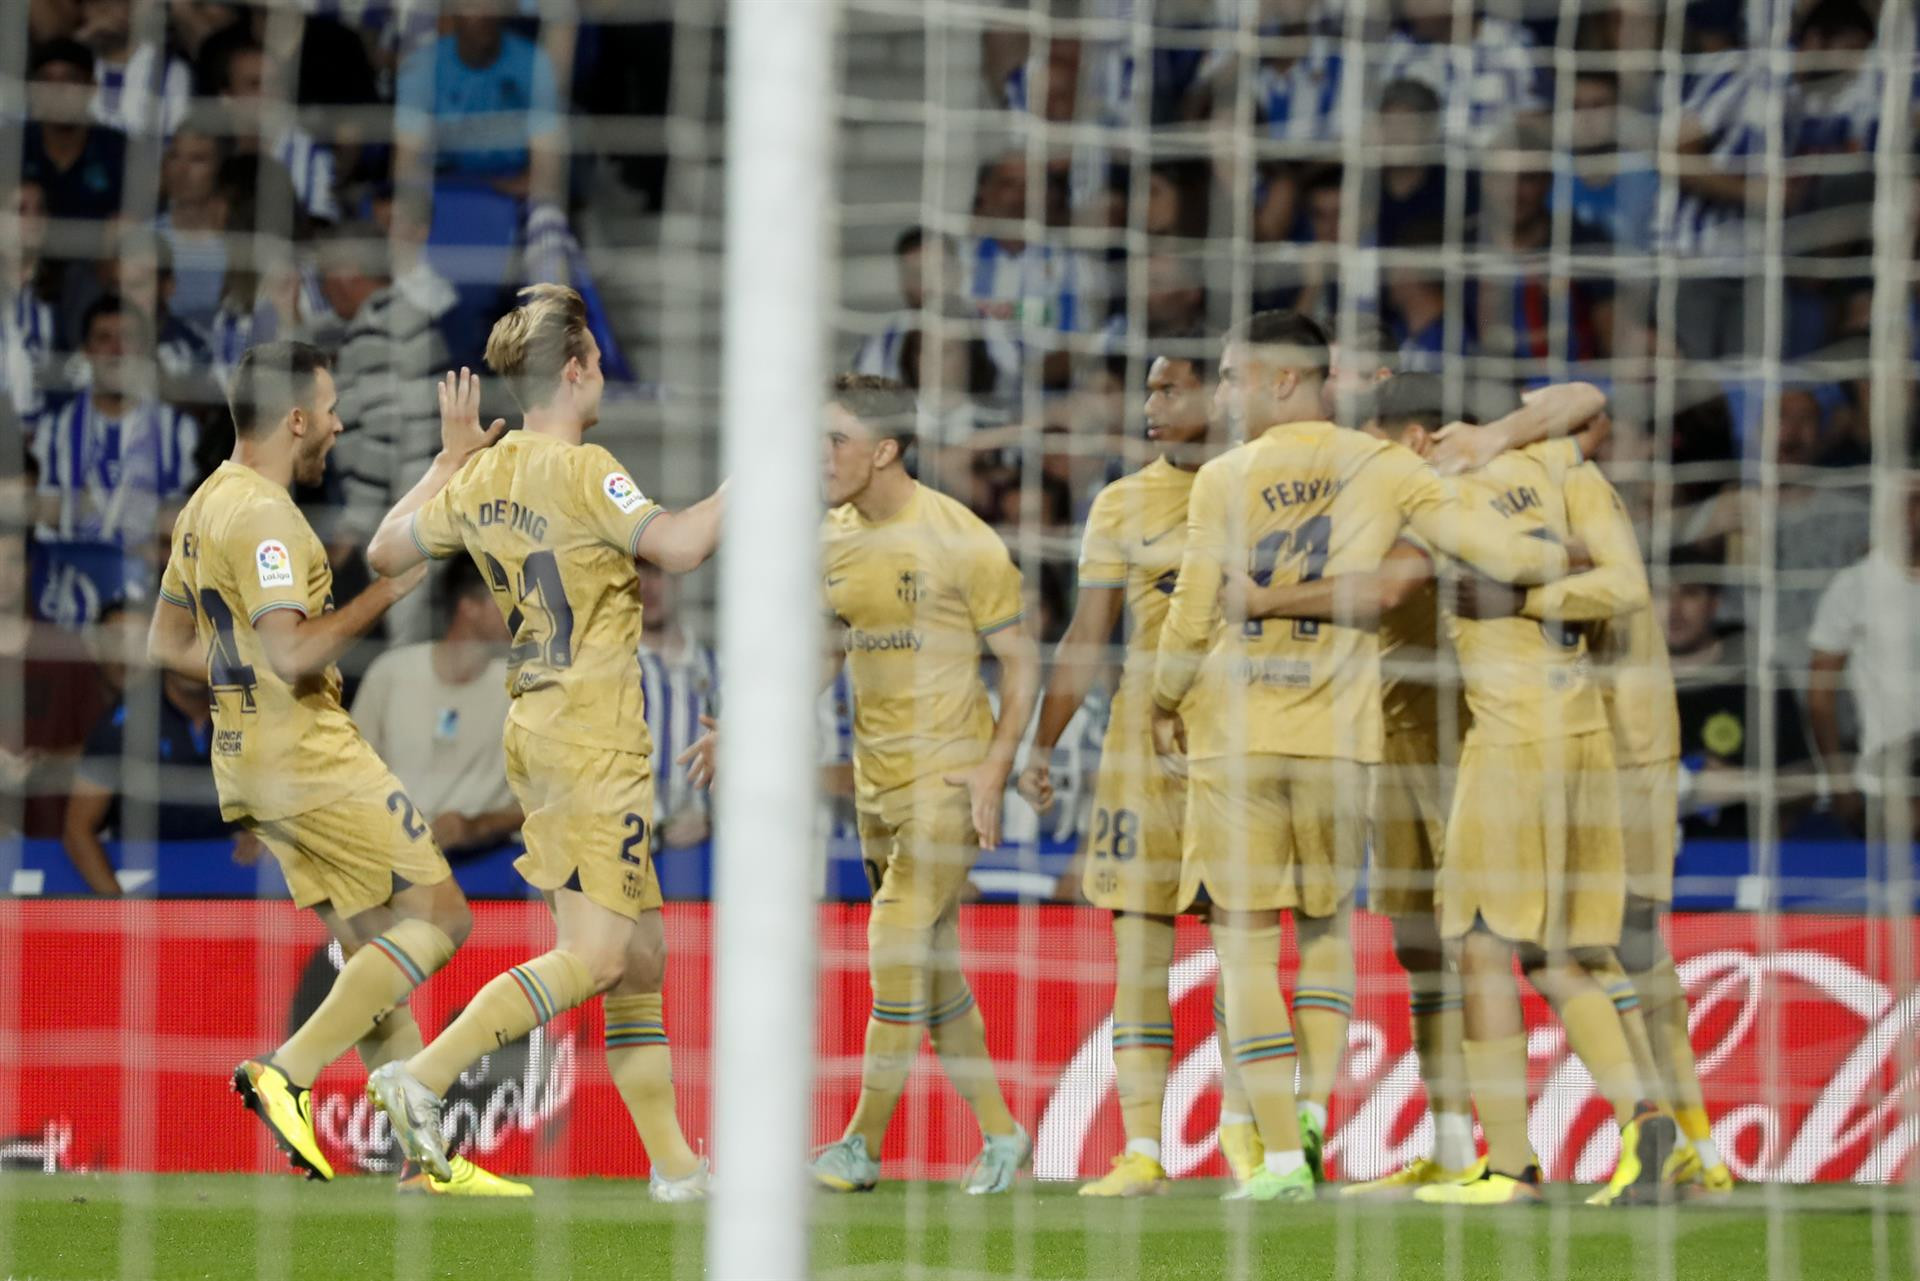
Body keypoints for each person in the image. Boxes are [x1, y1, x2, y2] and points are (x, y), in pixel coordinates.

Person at [1147, 312, 1572, 1203]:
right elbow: (1489, 547)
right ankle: (1310, 1112)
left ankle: (1273, 1159)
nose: (1221, 394)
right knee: (1330, 927)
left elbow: (1193, 609)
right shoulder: (1384, 465)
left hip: (1237, 736)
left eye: (1232, 377)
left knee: (1247, 946)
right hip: (1342, 742)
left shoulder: (1224, 477)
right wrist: (1559, 554)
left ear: (1287, 380)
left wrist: (1163, 697)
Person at [362, 285, 726, 1203]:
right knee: (600, 956)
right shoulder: (584, 467)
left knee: (639, 957)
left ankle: (678, 1169)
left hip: (538, 731)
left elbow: (381, 554)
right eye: (598, 360)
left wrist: (446, 462)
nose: (603, 375)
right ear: (574, 369)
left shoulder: (485, 475)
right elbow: (679, 547)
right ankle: (424, 1075)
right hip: (595, 737)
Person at [145, 340, 522, 1197]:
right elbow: (290, 653)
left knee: (372, 961)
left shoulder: (208, 503)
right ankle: (287, 1069)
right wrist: (386, 597)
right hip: (308, 752)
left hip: (245, 764)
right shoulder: (270, 518)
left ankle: (422, 1162)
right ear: (295, 419)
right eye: (331, 406)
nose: (340, 423)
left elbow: (163, 643)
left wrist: (445, 466)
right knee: (443, 919)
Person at [1228, 374, 1611, 1198]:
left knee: (1509, 945)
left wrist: (1263, 599)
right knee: (1421, 950)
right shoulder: (1377, 487)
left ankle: (1612, 1130)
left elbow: (1391, 588)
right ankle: (1449, 1143)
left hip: (1458, 742)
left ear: (1408, 436)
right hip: (1389, 741)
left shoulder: (1442, 488)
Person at [1386, 405, 1675, 1208]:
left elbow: (1461, 570)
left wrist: (1515, 596)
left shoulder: (1430, 494)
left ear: (1416, 434)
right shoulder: (1557, 469)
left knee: (1477, 942)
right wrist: (1556, 578)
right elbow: (1625, 584)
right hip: (1582, 731)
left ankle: (1510, 1167)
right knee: (1554, 954)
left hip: (1512, 742)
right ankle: (1642, 1116)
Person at [806, 374, 1039, 1196]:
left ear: (885, 448)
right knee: (932, 967)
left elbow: (1019, 660)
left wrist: (996, 764)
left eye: (834, 440)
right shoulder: (831, 536)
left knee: (895, 940)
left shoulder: (961, 537)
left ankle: (860, 1143)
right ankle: (1007, 1135)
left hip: (948, 776)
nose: (820, 454)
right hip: (877, 785)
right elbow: (832, 643)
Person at [1016, 351, 1236, 1196]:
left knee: (1242, 950)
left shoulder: (1256, 484)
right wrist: (1042, 744)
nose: (1151, 404)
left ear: (1218, 394)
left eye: (1169, 387)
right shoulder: (1120, 501)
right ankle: (1143, 1147)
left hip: (1235, 747)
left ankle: (1254, 1144)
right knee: (1139, 954)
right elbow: (1086, 634)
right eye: (1148, 388)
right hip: (1141, 757)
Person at [351, 556, 520, 857]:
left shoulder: (523, 688)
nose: (522, 613)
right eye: (508, 600)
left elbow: (549, 798)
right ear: (469, 605)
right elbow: (347, 774)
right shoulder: (392, 673)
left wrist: (477, 827)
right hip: (392, 860)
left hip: (490, 866)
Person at [33, 296, 199, 553]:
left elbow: (185, 531)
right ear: (86, 352)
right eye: (103, 338)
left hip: (149, 583)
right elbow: (45, 520)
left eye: (127, 338)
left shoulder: (178, 431)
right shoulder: (54, 430)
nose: (116, 350)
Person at [1807, 479, 1920, 841]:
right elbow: (1819, 695)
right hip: (1884, 781)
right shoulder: (1855, 585)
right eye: (1911, 502)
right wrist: (1840, 783)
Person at [63, 667, 233, 895]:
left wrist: (264, 834)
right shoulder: (125, 720)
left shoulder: (251, 710)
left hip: (232, 877)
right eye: (182, 639)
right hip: (144, 878)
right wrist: (121, 911)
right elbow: (77, 828)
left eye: (199, 638)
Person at [0, 523, 111, 839]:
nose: (3, 576)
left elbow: (102, 748)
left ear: (30, 567)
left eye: (12, 561)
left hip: (59, 844)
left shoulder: (66, 650)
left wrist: (46, 762)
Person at [636, 560, 719, 852]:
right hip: (621, 862)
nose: (646, 585)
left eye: (656, 572)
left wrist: (713, 819)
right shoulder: (605, 675)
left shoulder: (720, 672)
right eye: (635, 573)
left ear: (678, 580)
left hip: (707, 863)